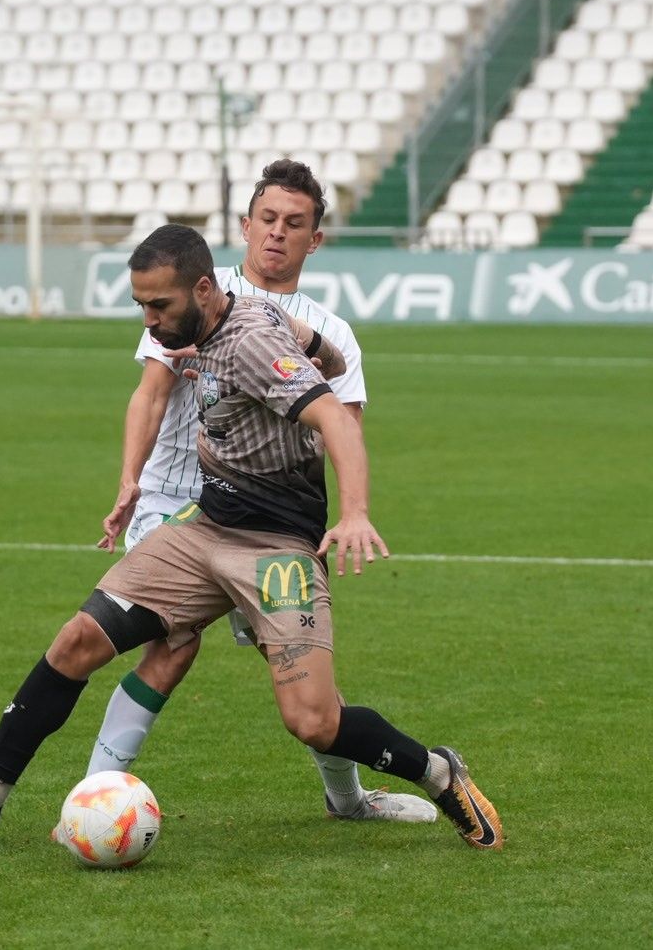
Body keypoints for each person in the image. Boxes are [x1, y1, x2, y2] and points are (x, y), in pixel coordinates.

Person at [0, 224, 502, 852]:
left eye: (160, 306)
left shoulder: (251, 345)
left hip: (274, 547)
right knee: (78, 641)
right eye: (141, 306)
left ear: (204, 289)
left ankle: (436, 771)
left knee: (314, 721)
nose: (151, 322)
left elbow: (332, 417)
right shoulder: (231, 315)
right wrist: (314, 345)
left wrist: (355, 513)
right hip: (203, 527)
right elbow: (331, 359)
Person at [88, 159, 434, 824]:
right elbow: (152, 389)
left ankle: (346, 799)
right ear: (244, 226)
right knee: (173, 639)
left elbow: (341, 427)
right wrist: (130, 478)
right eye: (267, 219)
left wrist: (332, 519)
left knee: (296, 661)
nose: (277, 233)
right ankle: (97, 791)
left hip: (267, 515)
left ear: (314, 240)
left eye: (294, 223)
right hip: (175, 499)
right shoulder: (191, 293)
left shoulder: (328, 333)